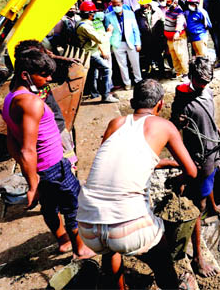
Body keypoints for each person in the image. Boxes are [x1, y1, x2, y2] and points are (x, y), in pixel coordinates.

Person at [77, 79, 198, 290]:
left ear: (133, 101)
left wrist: (164, 162)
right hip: (127, 228)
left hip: (87, 224)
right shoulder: (165, 126)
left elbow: (120, 159)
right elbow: (192, 172)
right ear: (160, 104)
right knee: (162, 260)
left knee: (109, 250)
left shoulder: (116, 123)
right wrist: (178, 180)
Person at [3, 46, 95, 260]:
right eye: (44, 75)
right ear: (26, 75)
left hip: (42, 168)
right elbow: (26, 148)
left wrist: (32, 174)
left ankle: (63, 240)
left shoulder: (11, 98)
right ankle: (80, 248)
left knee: (49, 207)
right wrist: (32, 185)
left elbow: (11, 141)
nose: (49, 78)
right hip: (54, 167)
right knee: (73, 205)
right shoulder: (31, 102)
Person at [170, 57, 220, 278]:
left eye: (208, 81)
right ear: (191, 77)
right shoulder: (183, 99)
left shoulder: (208, 92)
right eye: (201, 81)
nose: (204, 85)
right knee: (198, 203)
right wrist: (178, 122)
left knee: (211, 178)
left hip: (213, 148)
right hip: (198, 155)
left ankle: (213, 205)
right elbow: (173, 127)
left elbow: (210, 118)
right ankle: (197, 257)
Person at [77, 1, 118, 103]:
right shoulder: (85, 26)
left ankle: (94, 94)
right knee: (107, 69)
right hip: (90, 53)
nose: (94, 15)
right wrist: (109, 32)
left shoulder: (83, 23)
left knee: (93, 73)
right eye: (93, 13)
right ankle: (105, 95)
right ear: (89, 14)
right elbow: (99, 39)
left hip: (89, 52)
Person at [106, 0, 142, 90]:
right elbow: (108, 31)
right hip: (117, 44)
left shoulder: (130, 14)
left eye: (118, 5)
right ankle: (127, 83)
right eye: (114, 5)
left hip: (131, 42)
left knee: (135, 64)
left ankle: (138, 81)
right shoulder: (108, 16)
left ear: (122, 4)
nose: (116, 7)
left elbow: (135, 29)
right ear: (111, 5)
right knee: (122, 65)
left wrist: (138, 43)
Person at [135, 0, 165, 77]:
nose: (141, 5)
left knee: (158, 56)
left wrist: (162, 36)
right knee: (147, 56)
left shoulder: (157, 11)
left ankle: (161, 73)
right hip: (145, 38)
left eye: (143, 4)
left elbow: (163, 22)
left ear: (148, 4)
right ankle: (148, 73)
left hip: (156, 38)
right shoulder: (137, 13)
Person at [163, 0, 189, 80]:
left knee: (182, 55)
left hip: (178, 38)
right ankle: (178, 72)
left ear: (174, 1)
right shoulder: (168, 10)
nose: (167, 2)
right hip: (169, 38)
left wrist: (177, 32)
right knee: (174, 56)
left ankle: (186, 73)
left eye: (169, 1)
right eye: (167, 1)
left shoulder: (179, 11)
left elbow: (180, 22)